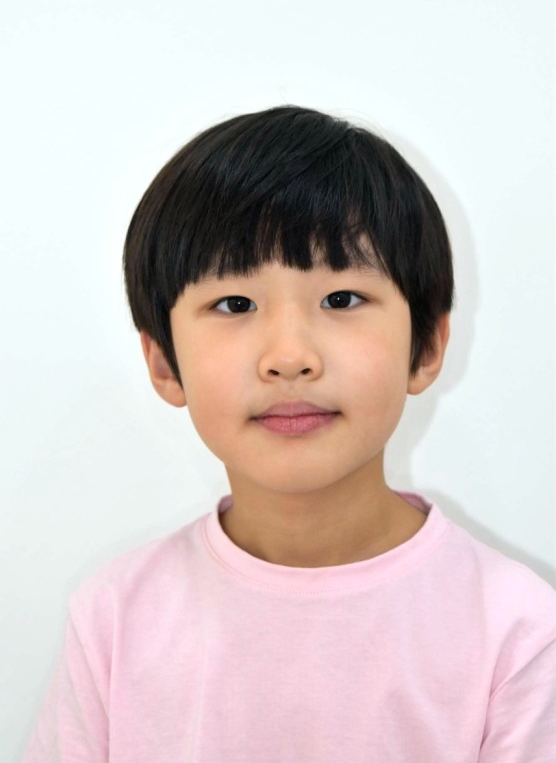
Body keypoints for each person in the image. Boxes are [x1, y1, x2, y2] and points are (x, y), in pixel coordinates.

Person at [23, 106, 555, 762]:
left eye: (341, 299)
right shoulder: (114, 616)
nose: (289, 357)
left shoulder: (518, 630)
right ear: (163, 361)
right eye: (235, 304)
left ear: (425, 347)